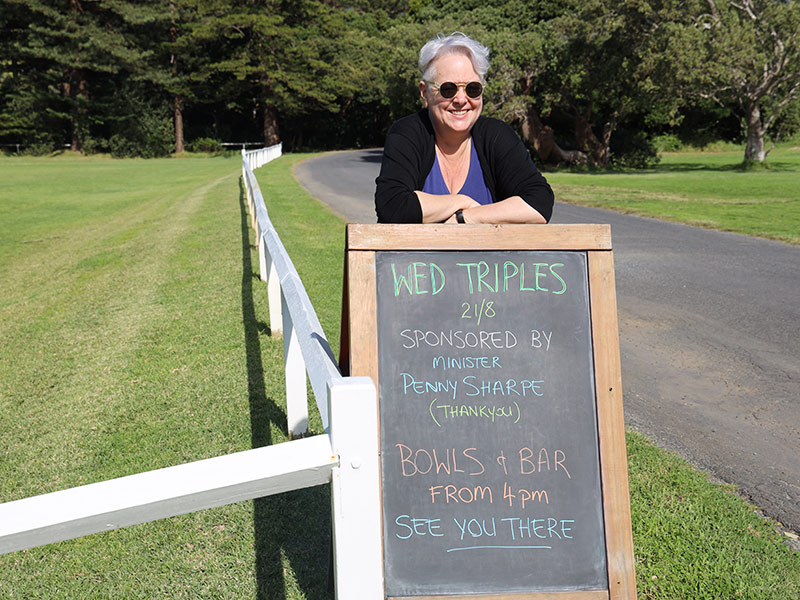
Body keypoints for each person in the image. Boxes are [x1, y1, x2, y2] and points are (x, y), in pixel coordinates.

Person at [374, 32, 554, 225]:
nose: (461, 100)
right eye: (448, 89)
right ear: (425, 93)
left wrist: (467, 217)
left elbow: (539, 202)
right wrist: (462, 201)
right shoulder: (408, 133)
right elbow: (392, 206)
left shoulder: (496, 136)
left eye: (473, 88)